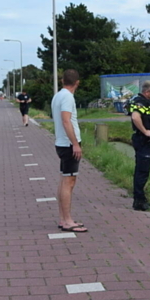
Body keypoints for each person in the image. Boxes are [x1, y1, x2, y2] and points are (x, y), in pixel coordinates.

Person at [52, 70, 86, 232]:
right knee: (69, 181)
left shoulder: (58, 95)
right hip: (68, 144)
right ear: (77, 83)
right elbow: (66, 121)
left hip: (62, 142)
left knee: (64, 179)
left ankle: (63, 219)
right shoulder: (67, 97)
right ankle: (67, 221)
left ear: (62, 80)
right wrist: (75, 144)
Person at [129, 81, 150, 211]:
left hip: (147, 141)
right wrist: (145, 131)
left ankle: (140, 198)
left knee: (144, 170)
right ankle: (139, 201)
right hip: (142, 139)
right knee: (142, 171)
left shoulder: (147, 102)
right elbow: (135, 117)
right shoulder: (139, 102)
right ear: (147, 91)